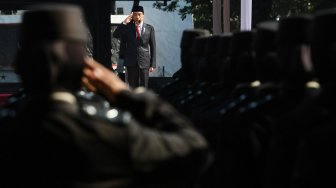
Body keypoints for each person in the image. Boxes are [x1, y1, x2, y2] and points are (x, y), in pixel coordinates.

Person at [0, 4, 209, 188]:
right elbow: (194, 150)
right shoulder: (108, 133)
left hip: (143, 62)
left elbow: (151, 46)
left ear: (21, 64)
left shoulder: (9, 128)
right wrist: (124, 94)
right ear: (82, 65)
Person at [113, 5, 156, 88]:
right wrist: (124, 22)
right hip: (131, 62)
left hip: (144, 61)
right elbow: (116, 34)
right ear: (132, 16)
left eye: (139, 14)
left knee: (144, 86)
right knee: (133, 86)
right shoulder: (128, 27)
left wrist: (152, 64)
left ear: (143, 15)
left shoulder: (150, 28)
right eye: (135, 14)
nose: (137, 17)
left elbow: (153, 46)